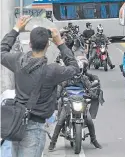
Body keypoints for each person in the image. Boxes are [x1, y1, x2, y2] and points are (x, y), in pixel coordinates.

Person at [1, 15, 79, 157]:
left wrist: (16, 29)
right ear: (48, 45)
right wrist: (60, 43)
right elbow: (74, 68)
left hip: (16, 123)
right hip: (35, 127)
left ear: (30, 44)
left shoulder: (18, 61)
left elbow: (2, 51)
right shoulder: (53, 71)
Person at [49, 59, 102, 150]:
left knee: (89, 121)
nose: (76, 73)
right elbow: (59, 90)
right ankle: (53, 143)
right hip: (68, 103)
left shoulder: (84, 78)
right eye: (74, 70)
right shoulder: (65, 79)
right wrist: (56, 97)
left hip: (81, 103)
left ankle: (94, 140)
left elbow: (90, 89)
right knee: (60, 121)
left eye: (78, 70)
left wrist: (94, 94)